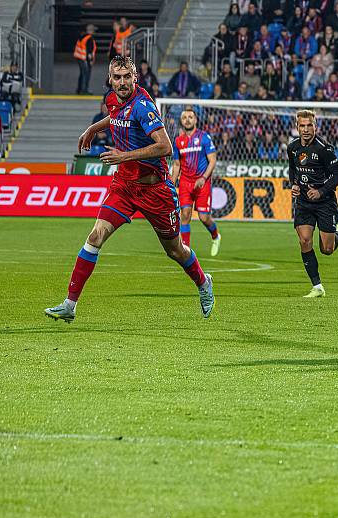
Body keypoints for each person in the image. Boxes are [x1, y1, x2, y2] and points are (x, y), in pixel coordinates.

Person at [44, 56, 214, 323]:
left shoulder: (143, 106)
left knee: (174, 250)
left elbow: (165, 147)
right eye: (117, 77)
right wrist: (92, 128)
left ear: (136, 78)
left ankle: (203, 282)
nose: (122, 83)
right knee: (96, 235)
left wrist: (124, 156)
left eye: (126, 77)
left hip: (155, 190)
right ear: (110, 79)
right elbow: (114, 117)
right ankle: (70, 304)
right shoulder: (113, 99)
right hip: (124, 186)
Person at [287, 110, 338, 298]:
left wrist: (321, 191)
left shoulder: (324, 149)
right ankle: (317, 286)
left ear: (316, 127)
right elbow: (293, 170)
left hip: (325, 203)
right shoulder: (292, 148)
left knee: (327, 250)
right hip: (304, 202)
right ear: (297, 127)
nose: (306, 129)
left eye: (309, 125)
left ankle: (336, 232)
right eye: (302, 126)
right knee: (304, 240)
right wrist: (294, 185)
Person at [171, 109, 221, 256]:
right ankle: (185, 251)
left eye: (190, 117)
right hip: (185, 182)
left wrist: (204, 177)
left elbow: (212, 160)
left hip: (202, 182)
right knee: (185, 215)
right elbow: (176, 164)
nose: (187, 120)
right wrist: (173, 182)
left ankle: (216, 236)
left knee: (203, 218)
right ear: (182, 121)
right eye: (185, 117)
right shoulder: (178, 141)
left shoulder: (204, 137)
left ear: (196, 120)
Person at [74, 24, 97, 95]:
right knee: (86, 74)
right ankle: (84, 90)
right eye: (93, 30)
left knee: (82, 74)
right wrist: (90, 61)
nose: (94, 32)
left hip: (79, 57)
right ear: (91, 31)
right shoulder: (89, 39)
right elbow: (89, 52)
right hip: (85, 59)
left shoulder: (82, 37)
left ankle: (79, 89)